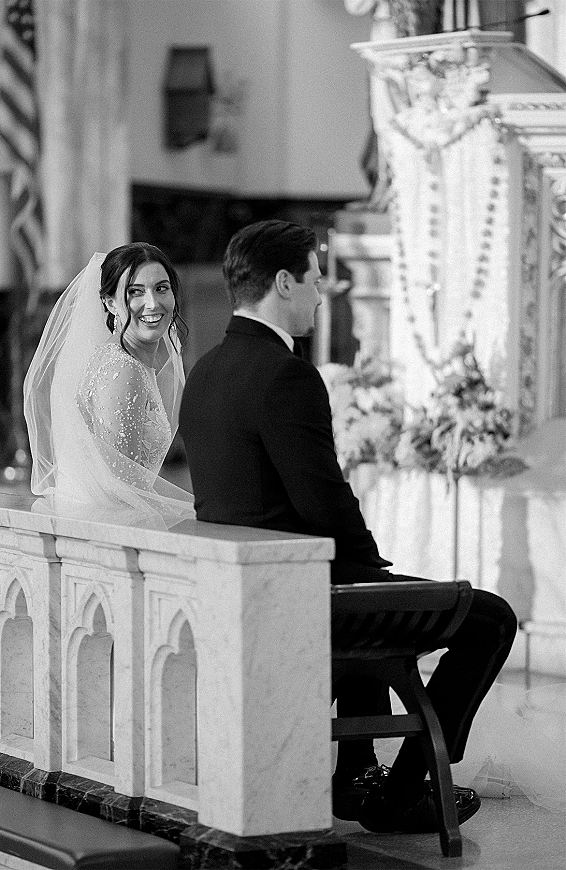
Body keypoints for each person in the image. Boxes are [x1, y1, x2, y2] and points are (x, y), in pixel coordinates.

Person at [178, 219, 519, 834]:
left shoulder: (204, 372)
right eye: (312, 280)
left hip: (245, 583)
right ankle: (405, 788)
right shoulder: (285, 373)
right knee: (491, 618)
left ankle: (355, 774)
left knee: (371, 586)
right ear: (283, 283)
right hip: (306, 593)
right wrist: (373, 564)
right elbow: (323, 503)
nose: (319, 294)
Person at [24, 243, 195, 529]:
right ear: (110, 303)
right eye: (134, 292)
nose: (152, 303)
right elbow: (119, 486)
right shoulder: (123, 369)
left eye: (161, 288)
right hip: (116, 530)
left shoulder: (129, 361)